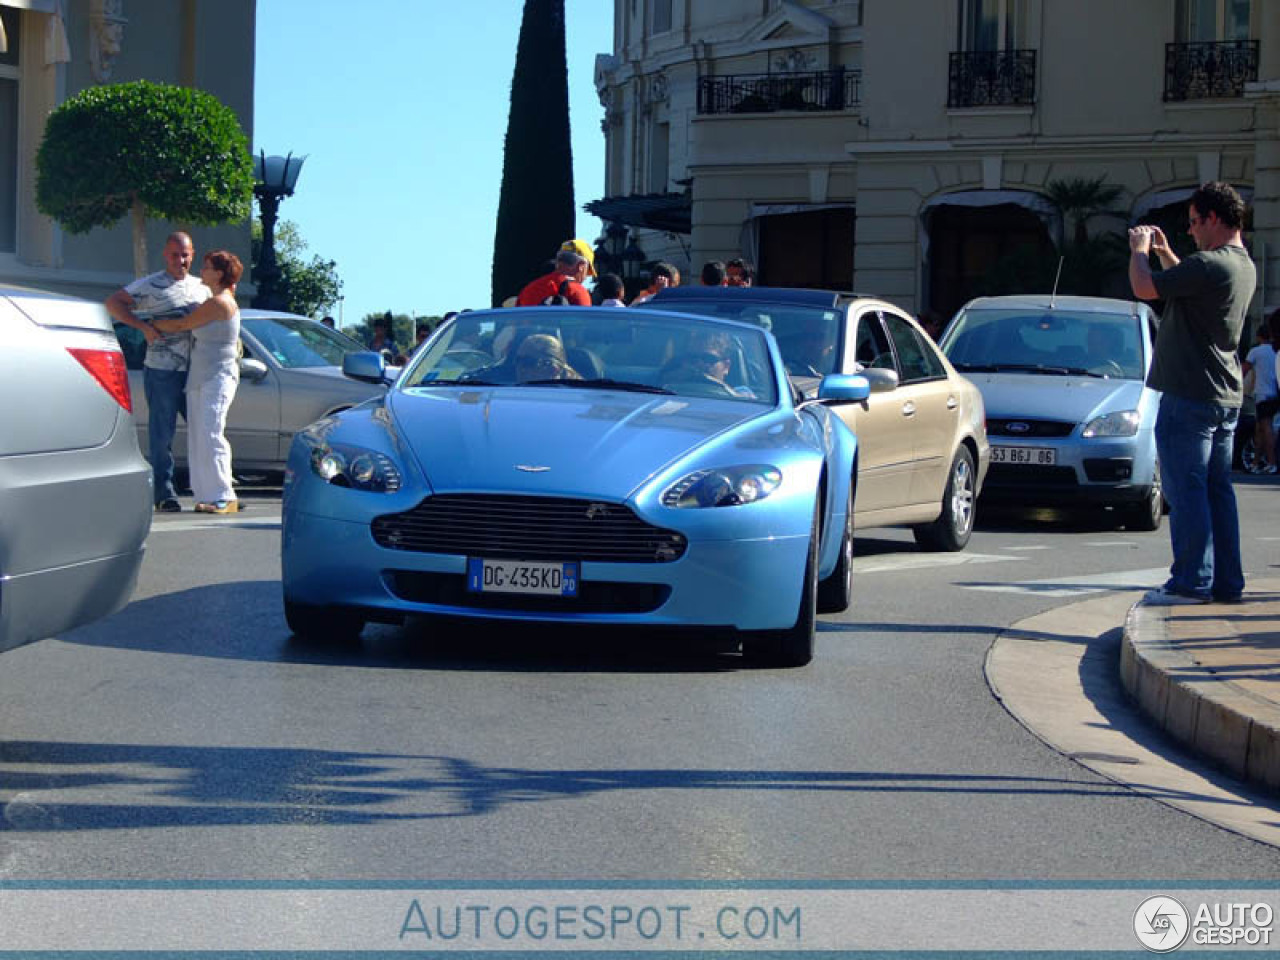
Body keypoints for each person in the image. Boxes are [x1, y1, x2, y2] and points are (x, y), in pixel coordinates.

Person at [1128, 181, 1255, 605]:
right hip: (1223, 395)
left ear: (1214, 219)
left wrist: (1140, 252)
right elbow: (1191, 282)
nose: (1191, 231)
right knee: (1218, 492)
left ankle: (1190, 582)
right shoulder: (1239, 264)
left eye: (1196, 222)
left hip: (1189, 393)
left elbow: (1145, 288)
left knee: (1186, 492)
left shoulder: (1209, 264)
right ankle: (1226, 582)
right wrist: (1167, 256)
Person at [105, 231, 208, 513]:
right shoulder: (150, 285)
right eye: (175, 255)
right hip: (162, 369)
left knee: (204, 430)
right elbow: (114, 303)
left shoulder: (202, 288)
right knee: (163, 433)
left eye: (185, 254)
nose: (180, 260)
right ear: (166, 255)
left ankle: (211, 491)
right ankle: (164, 492)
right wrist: (143, 327)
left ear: (193, 254)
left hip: (196, 371)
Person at [151, 251, 244, 515]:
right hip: (201, 374)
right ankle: (207, 495)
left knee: (212, 432)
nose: (202, 271)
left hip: (218, 375)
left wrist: (153, 323)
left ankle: (225, 494)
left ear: (219, 273)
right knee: (199, 436)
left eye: (207, 267)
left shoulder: (220, 303)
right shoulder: (211, 300)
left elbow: (183, 325)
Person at [1244, 310, 1279, 473]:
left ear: (1259, 337)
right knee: (1259, 429)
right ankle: (1255, 463)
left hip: (1262, 394)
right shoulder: (1274, 351)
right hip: (1273, 393)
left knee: (1266, 428)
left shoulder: (1256, 352)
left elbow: (1244, 370)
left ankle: (1271, 463)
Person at [515, 240, 595, 306]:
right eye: (587, 272)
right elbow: (585, 324)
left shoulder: (528, 290)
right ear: (581, 266)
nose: (585, 278)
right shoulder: (577, 291)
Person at [513, 333, 580, 382]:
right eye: (518, 360)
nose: (520, 367)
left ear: (554, 369)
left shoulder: (577, 397)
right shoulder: (507, 393)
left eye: (527, 362)